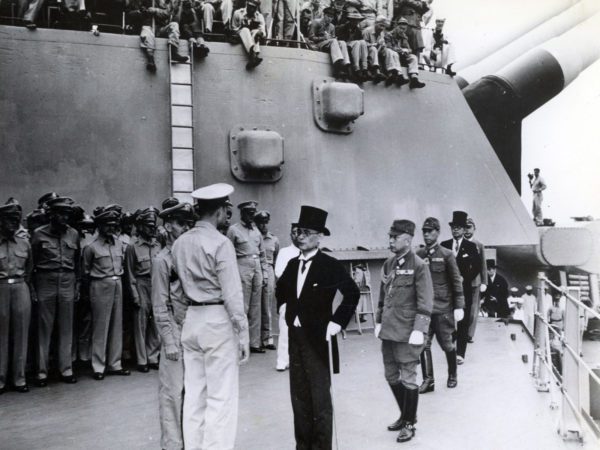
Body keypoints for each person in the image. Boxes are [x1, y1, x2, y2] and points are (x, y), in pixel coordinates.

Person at [172, 183, 249, 450]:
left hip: (192, 318)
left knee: (194, 394)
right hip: (217, 319)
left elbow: (177, 290)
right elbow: (232, 294)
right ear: (218, 211)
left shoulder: (180, 243)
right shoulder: (221, 243)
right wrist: (242, 332)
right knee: (221, 396)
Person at [276, 205, 359, 450]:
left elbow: (351, 293)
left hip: (318, 339)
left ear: (319, 236)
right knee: (299, 399)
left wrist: (337, 321)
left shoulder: (329, 265)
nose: (299, 236)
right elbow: (281, 291)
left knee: (320, 400)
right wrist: (284, 308)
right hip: (296, 337)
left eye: (306, 232)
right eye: (298, 231)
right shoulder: (292, 264)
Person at [375, 219, 433, 443]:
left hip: (409, 331)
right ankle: (404, 414)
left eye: (394, 237)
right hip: (389, 330)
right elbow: (383, 295)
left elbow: (425, 301)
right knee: (390, 375)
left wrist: (420, 328)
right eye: (390, 236)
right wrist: (379, 320)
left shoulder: (419, 265)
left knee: (408, 377)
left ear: (407, 239)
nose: (390, 240)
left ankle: (410, 423)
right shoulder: (389, 264)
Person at [152, 201, 194, 450]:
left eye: (189, 223)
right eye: (180, 223)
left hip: (195, 330)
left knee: (194, 391)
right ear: (168, 226)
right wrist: (169, 340)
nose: (186, 228)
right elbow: (160, 305)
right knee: (172, 393)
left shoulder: (190, 255)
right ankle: (172, 445)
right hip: (175, 332)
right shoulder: (162, 261)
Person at [31, 197, 80, 386]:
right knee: (45, 328)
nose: (64, 217)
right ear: (51, 214)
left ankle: (66, 369)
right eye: (60, 214)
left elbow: (77, 262)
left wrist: (77, 285)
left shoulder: (74, 234)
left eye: (67, 214)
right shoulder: (38, 234)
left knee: (67, 327)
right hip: (46, 280)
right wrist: (33, 288)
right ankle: (42, 372)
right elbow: (32, 263)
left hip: (68, 280)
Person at [415, 217, 463, 393]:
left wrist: (459, 306)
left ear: (437, 232)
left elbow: (456, 281)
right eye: (424, 231)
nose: (427, 234)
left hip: (442, 309)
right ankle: (429, 381)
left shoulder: (446, 255)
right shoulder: (418, 255)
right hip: (423, 310)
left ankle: (452, 375)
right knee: (422, 344)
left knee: (447, 344)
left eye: (430, 231)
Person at [82, 209, 131, 380]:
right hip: (100, 285)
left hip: (117, 283)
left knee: (117, 325)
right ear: (100, 226)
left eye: (113, 225)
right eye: (107, 225)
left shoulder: (119, 244)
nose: (111, 228)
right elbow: (86, 272)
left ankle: (115, 364)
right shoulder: (91, 247)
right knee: (100, 327)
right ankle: (98, 366)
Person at [0, 201, 34, 394]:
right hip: (1, 287)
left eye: (16, 220)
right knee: (1, 335)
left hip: (21, 287)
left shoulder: (24, 243)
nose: (13, 223)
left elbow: (30, 268)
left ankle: (19, 378)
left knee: (21, 333)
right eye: (9, 219)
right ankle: (1, 379)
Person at [227, 200, 269, 353]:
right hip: (242, 265)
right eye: (248, 213)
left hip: (256, 265)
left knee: (256, 307)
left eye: (253, 214)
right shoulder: (233, 230)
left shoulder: (256, 231)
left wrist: (264, 274)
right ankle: (239, 343)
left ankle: (254, 343)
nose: (251, 216)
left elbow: (263, 254)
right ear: (242, 213)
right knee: (242, 306)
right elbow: (228, 254)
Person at [440, 211, 480, 364]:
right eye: (453, 227)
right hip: (448, 291)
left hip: (464, 291)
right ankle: (450, 348)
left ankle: (460, 353)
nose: (455, 230)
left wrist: (466, 277)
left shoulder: (471, 247)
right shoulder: (444, 246)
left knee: (463, 321)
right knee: (448, 320)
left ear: (464, 229)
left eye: (458, 227)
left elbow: (476, 266)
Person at [126, 207, 162, 372]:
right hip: (141, 284)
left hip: (156, 285)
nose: (151, 228)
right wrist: (134, 294)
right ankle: (142, 360)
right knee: (140, 323)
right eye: (148, 225)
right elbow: (130, 273)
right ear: (140, 226)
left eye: (153, 225)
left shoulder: (157, 245)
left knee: (155, 322)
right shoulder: (133, 247)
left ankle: (152, 356)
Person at [126, 0, 189, 73]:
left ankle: (173, 53)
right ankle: (150, 59)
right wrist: (142, 11)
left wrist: (155, 10)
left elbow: (167, 14)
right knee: (146, 32)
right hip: (148, 26)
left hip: (160, 29)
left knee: (174, 25)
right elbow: (130, 14)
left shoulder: (168, 2)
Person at [273, 223, 300, 371]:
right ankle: (282, 361)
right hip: (289, 296)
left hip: (304, 297)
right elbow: (279, 272)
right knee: (285, 329)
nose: (297, 235)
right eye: (294, 232)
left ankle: (298, 360)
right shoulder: (284, 252)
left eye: (299, 232)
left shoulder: (307, 251)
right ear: (290, 235)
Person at [336, 7, 385, 82]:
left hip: (356, 48)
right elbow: (341, 40)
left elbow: (363, 43)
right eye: (353, 20)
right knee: (358, 42)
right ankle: (357, 68)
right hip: (344, 46)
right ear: (350, 20)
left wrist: (372, 45)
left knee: (361, 42)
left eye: (357, 20)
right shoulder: (343, 27)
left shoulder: (358, 30)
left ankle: (364, 68)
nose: (355, 22)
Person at [254, 210, 280, 350]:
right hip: (255, 269)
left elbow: (275, 257)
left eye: (265, 222)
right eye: (260, 223)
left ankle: (267, 338)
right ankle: (255, 339)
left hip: (269, 269)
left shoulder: (274, 239)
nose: (263, 225)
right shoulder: (254, 237)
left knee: (267, 305)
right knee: (255, 305)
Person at [308, 6, 352, 79]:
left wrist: (333, 38)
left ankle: (345, 64)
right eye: (328, 16)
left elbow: (333, 38)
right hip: (318, 44)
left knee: (342, 42)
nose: (329, 19)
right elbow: (311, 37)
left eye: (331, 17)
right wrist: (323, 38)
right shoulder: (316, 22)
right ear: (324, 15)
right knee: (333, 41)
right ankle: (337, 64)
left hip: (329, 44)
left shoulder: (332, 26)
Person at [464, 217, 487, 343]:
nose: (467, 231)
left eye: (469, 227)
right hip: (462, 282)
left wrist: (484, 282)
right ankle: (460, 332)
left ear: (474, 229)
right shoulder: (459, 244)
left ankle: (469, 334)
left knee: (473, 311)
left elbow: (483, 264)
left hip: (475, 283)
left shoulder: (479, 245)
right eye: (465, 228)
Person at [362, 15, 399, 84]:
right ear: (375, 23)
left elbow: (382, 45)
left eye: (384, 26)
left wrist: (383, 46)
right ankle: (377, 71)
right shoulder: (367, 31)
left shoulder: (381, 32)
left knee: (389, 51)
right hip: (367, 52)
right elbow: (363, 44)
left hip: (377, 51)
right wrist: (374, 44)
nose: (382, 28)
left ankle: (391, 73)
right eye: (381, 25)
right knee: (373, 49)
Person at [389, 17, 425, 88]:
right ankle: (399, 76)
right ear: (397, 26)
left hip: (401, 56)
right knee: (394, 54)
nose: (402, 30)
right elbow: (388, 47)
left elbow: (409, 49)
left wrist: (407, 51)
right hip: (393, 56)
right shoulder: (390, 34)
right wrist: (400, 50)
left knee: (413, 57)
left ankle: (414, 78)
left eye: (404, 28)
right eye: (401, 27)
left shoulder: (404, 37)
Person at [231, 0, 266, 69]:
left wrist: (259, 33)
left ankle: (253, 56)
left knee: (255, 31)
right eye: (250, 6)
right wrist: (242, 27)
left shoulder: (259, 16)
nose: (252, 9)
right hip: (240, 36)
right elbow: (233, 29)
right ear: (247, 4)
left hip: (253, 38)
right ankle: (253, 55)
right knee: (245, 30)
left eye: (254, 7)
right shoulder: (238, 13)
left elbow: (263, 32)